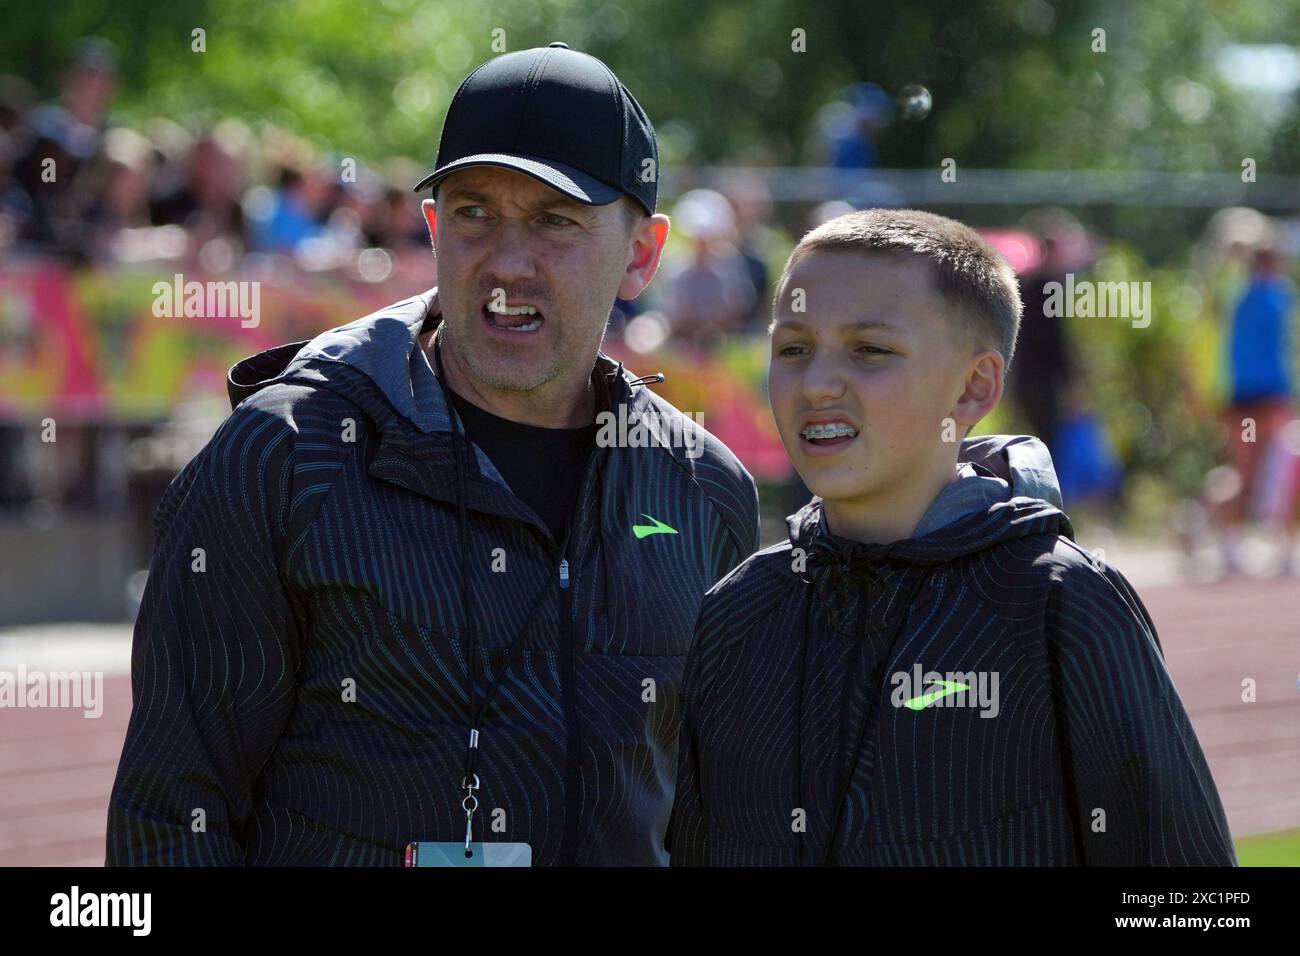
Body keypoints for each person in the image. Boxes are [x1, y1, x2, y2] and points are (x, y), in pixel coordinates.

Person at [107, 43, 759, 867]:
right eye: (474, 213)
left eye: (556, 220)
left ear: (642, 254)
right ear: (431, 228)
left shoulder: (705, 491)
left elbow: (715, 828)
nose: (507, 261)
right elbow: (169, 819)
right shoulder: (281, 456)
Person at [668, 208, 1236, 866]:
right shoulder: (737, 610)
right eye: (793, 348)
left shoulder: (1061, 602)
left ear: (974, 387)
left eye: (869, 350)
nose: (816, 384)